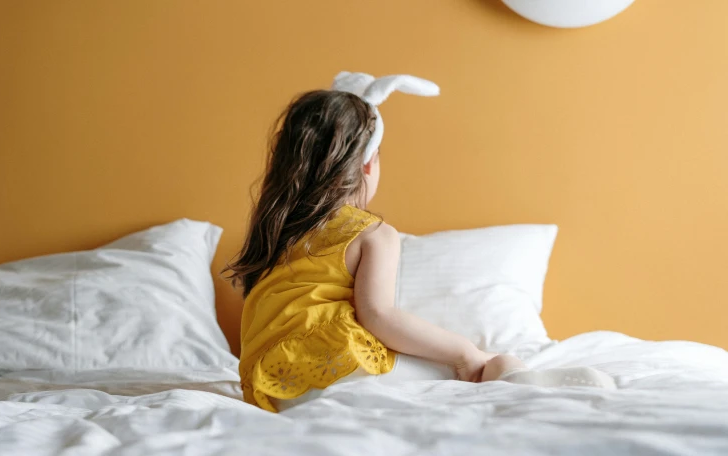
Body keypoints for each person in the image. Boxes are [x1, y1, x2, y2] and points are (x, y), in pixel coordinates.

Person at [224, 73, 614, 413]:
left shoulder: (275, 232)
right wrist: (465, 352)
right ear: (367, 163)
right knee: (483, 366)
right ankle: (517, 378)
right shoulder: (369, 233)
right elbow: (379, 317)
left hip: (273, 386)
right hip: (339, 368)